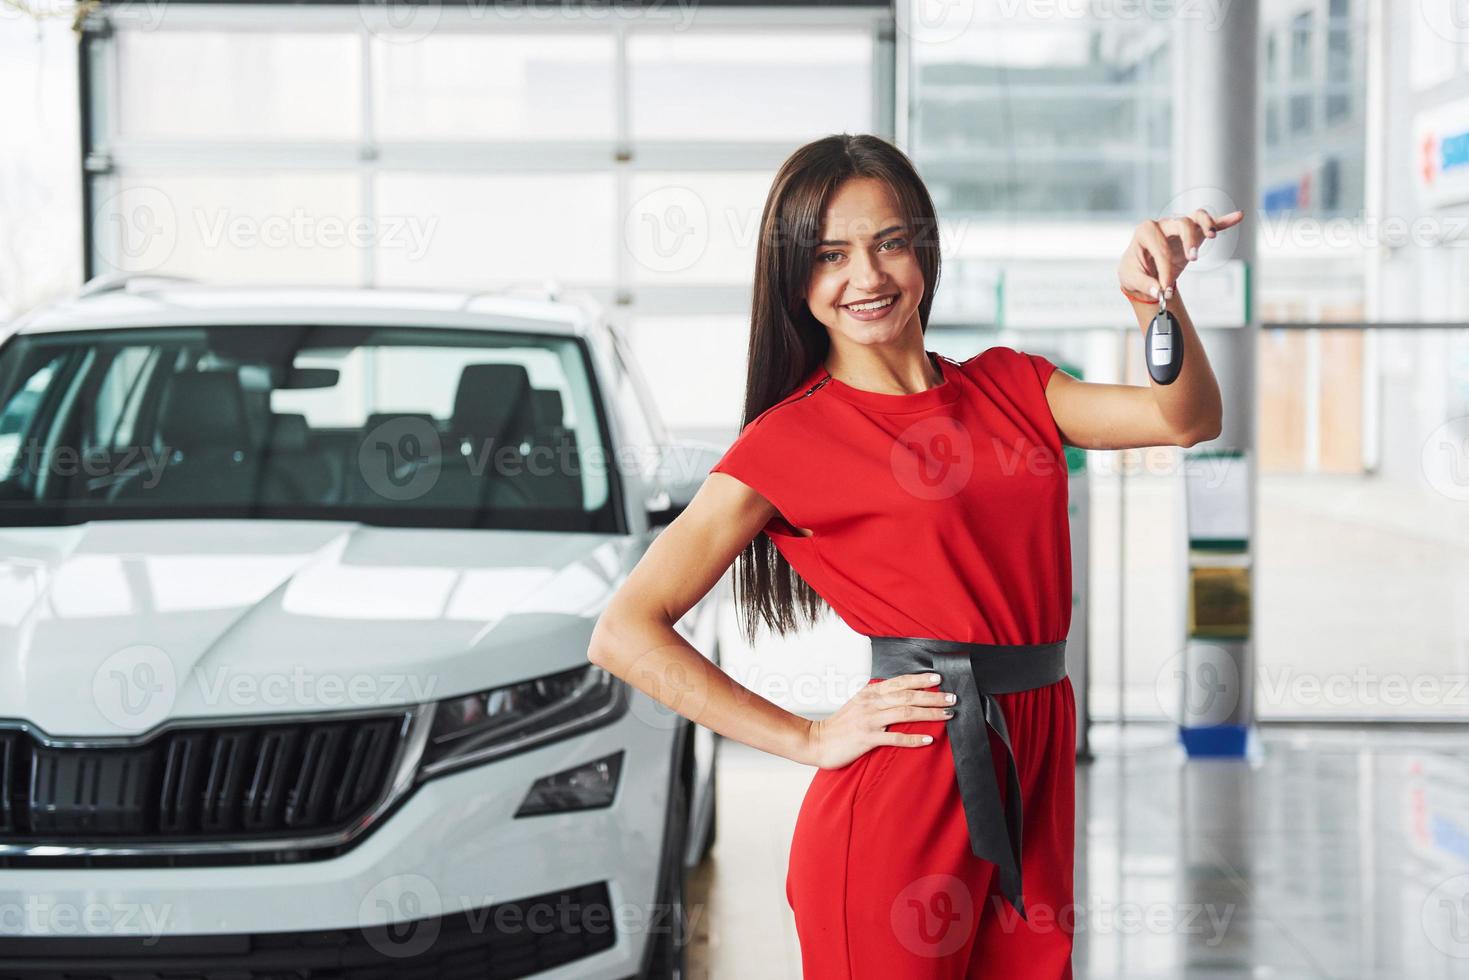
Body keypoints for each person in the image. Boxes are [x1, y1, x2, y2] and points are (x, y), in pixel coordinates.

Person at [588, 132, 1238, 978]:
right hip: (905, 786)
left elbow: (1184, 419)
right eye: (830, 255)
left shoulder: (1014, 385)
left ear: (921, 251)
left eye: (889, 242)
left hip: (1032, 766)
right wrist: (805, 737)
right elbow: (625, 630)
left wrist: (1151, 299)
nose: (867, 277)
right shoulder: (787, 440)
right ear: (795, 278)